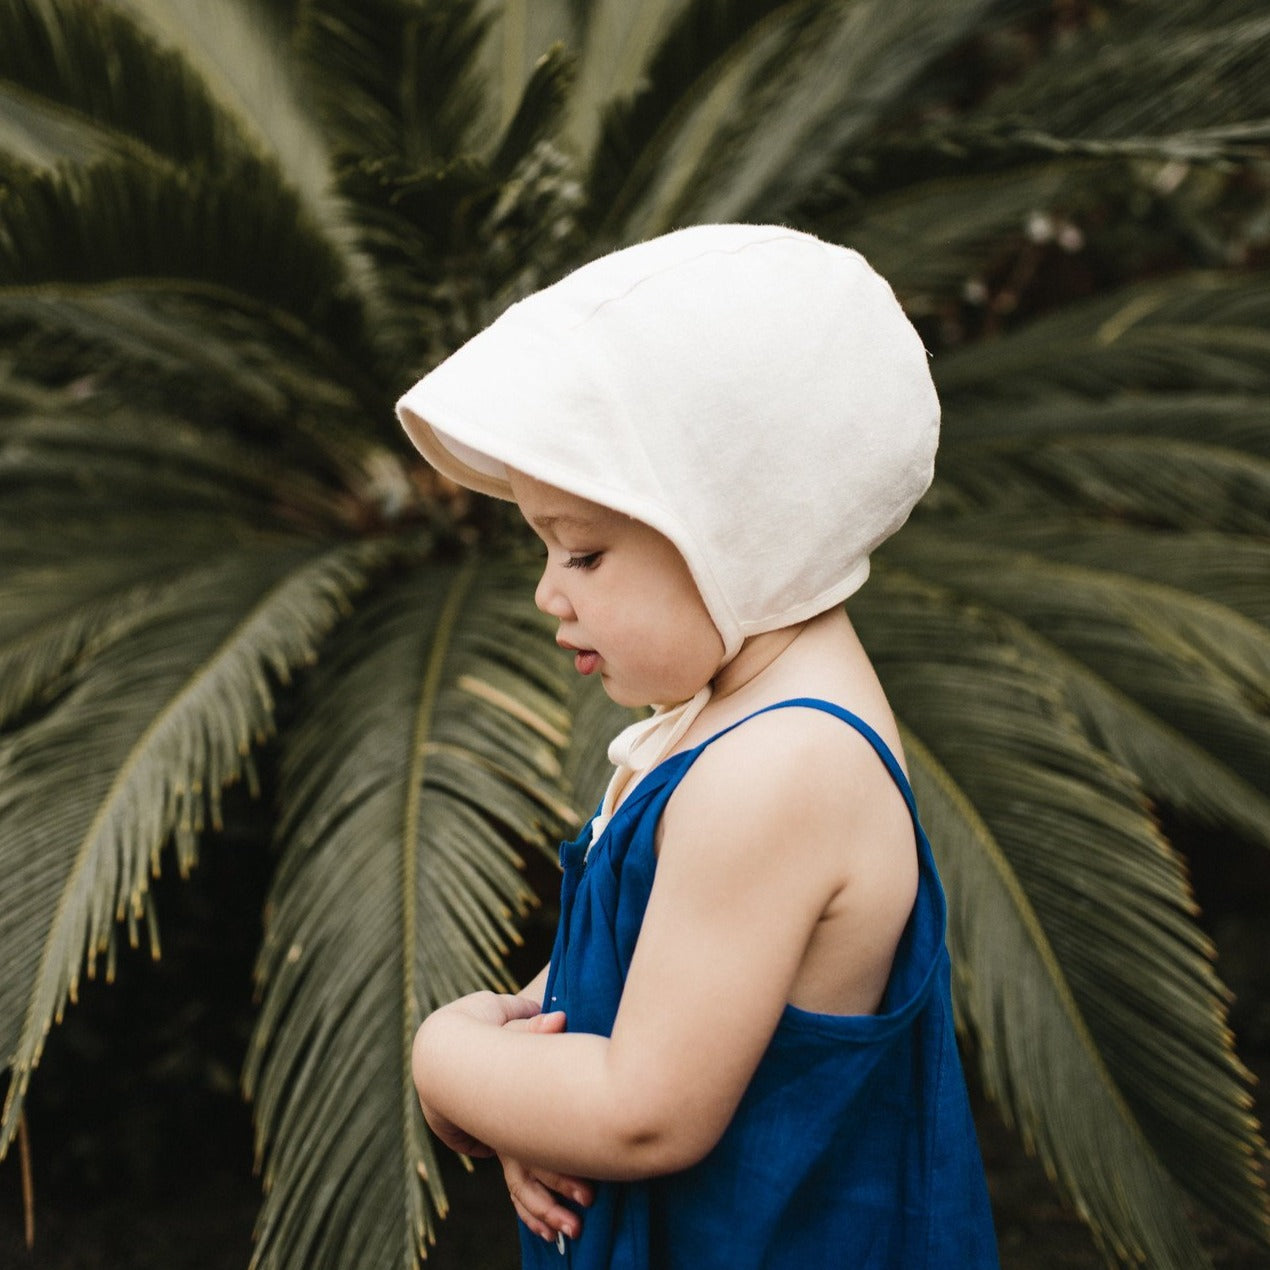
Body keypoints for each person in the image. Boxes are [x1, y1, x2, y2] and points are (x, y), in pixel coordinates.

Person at [396, 224, 999, 1268]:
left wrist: (446, 1059)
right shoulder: (729, 722)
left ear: (737, 528)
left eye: (584, 550)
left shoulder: (778, 770)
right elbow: (620, 992)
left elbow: (641, 1112)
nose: (548, 591)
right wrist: (531, 1100)